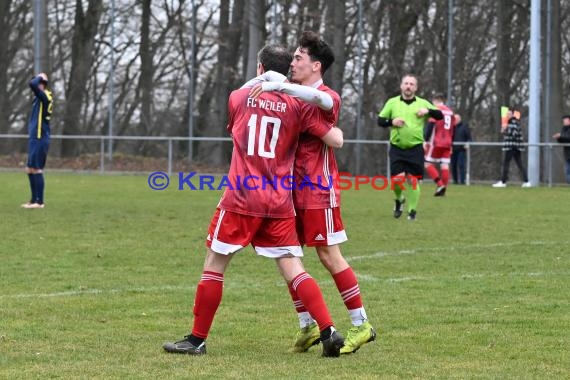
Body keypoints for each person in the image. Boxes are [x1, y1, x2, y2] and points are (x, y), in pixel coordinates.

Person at [162, 44, 345, 357]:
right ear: (286, 71)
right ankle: (328, 329)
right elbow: (329, 130)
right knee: (293, 268)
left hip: (241, 197)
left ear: (259, 68)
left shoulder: (237, 97)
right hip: (279, 201)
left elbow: (238, 124)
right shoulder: (297, 105)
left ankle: (196, 340)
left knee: (214, 265)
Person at [249, 31, 376, 355]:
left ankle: (361, 324)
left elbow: (334, 130)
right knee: (285, 255)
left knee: (328, 255)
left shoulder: (323, 95)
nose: (292, 63)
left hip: (318, 189)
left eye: (298, 58)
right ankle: (307, 325)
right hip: (290, 190)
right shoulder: (297, 98)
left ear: (315, 66)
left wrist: (285, 90)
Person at [377, 74, 443, 220]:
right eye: (406, 83)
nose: (408, 86)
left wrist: (428, 111)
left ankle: (412, 211)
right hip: (397, 147)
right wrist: (392, 121)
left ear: (416, 87)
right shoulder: (392, 102)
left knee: (413, 181)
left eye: (411, 84)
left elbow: (440, 115)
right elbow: (380, 121)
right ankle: (400, 200)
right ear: (401, 86)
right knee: (396, 181)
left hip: (415, 149)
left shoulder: (422, 103)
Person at [21, 73, 53, 209]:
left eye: (39, 82)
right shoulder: (39, 97)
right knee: (29, 168)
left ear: (42, 84)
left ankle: (39, 202)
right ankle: (34, 200)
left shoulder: (45, 95)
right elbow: (33, 84)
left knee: (36, 168)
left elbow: (32, 84)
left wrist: (41, 77)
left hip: (40, 137)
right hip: (35, 137)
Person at [424, 94, 455, 196]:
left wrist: (425, 140)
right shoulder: (450, 112)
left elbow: (430, 126)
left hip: (436, 141)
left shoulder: (435, 110)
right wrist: (451, 144)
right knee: (445, 165)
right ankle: (443, 190)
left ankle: (440, 184)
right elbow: (453, 129)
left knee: (427, 163)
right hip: (448, 142)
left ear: (435, 101)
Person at [492, 109, 531, 188]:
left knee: (506, 163)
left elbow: (512, 134)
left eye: (509, 114)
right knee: (519, 164)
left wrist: (504, 129)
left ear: (512, 115)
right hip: (517, 146)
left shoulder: (511, 123)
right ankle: (526, 181)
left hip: (511, 146)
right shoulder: (516, 122)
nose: (507, 115)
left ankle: (503, 181)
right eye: (507, 114)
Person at [450, 114, 472, 185]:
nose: (455, 121)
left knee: (461, 165)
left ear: (460, 119)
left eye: (456, 119)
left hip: (461, 149)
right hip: (453, 149)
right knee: (453, 165)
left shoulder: (464, 127)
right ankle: (455, 181)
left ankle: (462, 181)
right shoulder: (451, 128)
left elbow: (469, 138)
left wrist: (467, 143)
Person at [552, 115, 570, 184]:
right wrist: (558, 138)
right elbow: (563, 140)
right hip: (567, 154)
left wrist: (561, 136)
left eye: (565, 120)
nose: (563, 122)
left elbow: (568, 137)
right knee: (567, 171)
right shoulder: (564, 129)